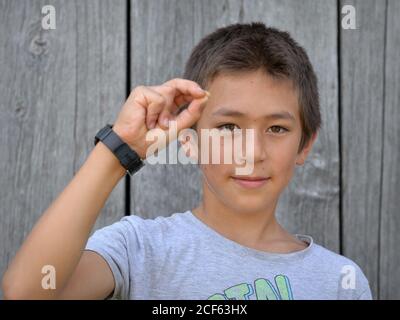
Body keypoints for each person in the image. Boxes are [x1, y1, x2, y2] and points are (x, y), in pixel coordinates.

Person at [2, 22, 372, 300]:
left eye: (276, 129)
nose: (252, 152)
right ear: (190, 141)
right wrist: (119, 149)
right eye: (228, 127)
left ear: (305, 145)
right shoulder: (139, 249)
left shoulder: (340, 281)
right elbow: (26, 293)